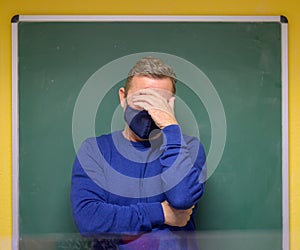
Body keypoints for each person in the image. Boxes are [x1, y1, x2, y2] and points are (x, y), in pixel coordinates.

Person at [70, 57, 206, 249]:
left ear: (170, 105)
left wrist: (170, 127)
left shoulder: (189, 148)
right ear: (123, 97)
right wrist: (161, 213)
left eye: (158, 102)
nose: (148, 111)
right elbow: (89, 220)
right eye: (142, 100)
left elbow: (181, 198)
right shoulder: (95, 150)